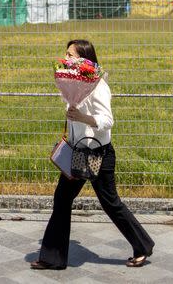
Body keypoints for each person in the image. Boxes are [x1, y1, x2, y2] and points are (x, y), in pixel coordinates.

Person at [31, 39, 154, 270]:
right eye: (65, 54)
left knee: (110, 203)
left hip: (99, 154)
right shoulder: (73, 84)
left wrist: (83, 118)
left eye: (71, 55)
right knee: (62, 199)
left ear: (85, 60)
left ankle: (142, 245)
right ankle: (52, 258)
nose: (66, 59)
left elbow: (108, 121)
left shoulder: (98, 86)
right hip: (78, 153)